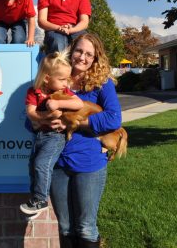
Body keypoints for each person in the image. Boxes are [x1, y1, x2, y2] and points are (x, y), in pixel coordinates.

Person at [27, 33, 122, 247]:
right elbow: (31, 119)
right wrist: (44, 120)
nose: (82, 57)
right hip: (58, 163)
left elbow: (113, 119)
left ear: (96, 58)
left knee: (86, 226)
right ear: (71, 50)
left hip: (88, 163)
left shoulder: (101, 83)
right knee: (65, 227)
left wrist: (75, 123)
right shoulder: (56, 77)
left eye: (89, 54)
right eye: (79, 51)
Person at [20, 51, 84, 215]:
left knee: (42, 163)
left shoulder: (64, 93)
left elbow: (79, 103)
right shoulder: (33, 91)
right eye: (62, 79)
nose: (66, 83)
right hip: (40, 136)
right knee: (32, 165)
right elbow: (31, 113)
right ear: (47, 78)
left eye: (67, 79)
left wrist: (58, 103)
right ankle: (35, 197)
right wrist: (48, 116)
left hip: (56, 136)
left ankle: (41, 199)